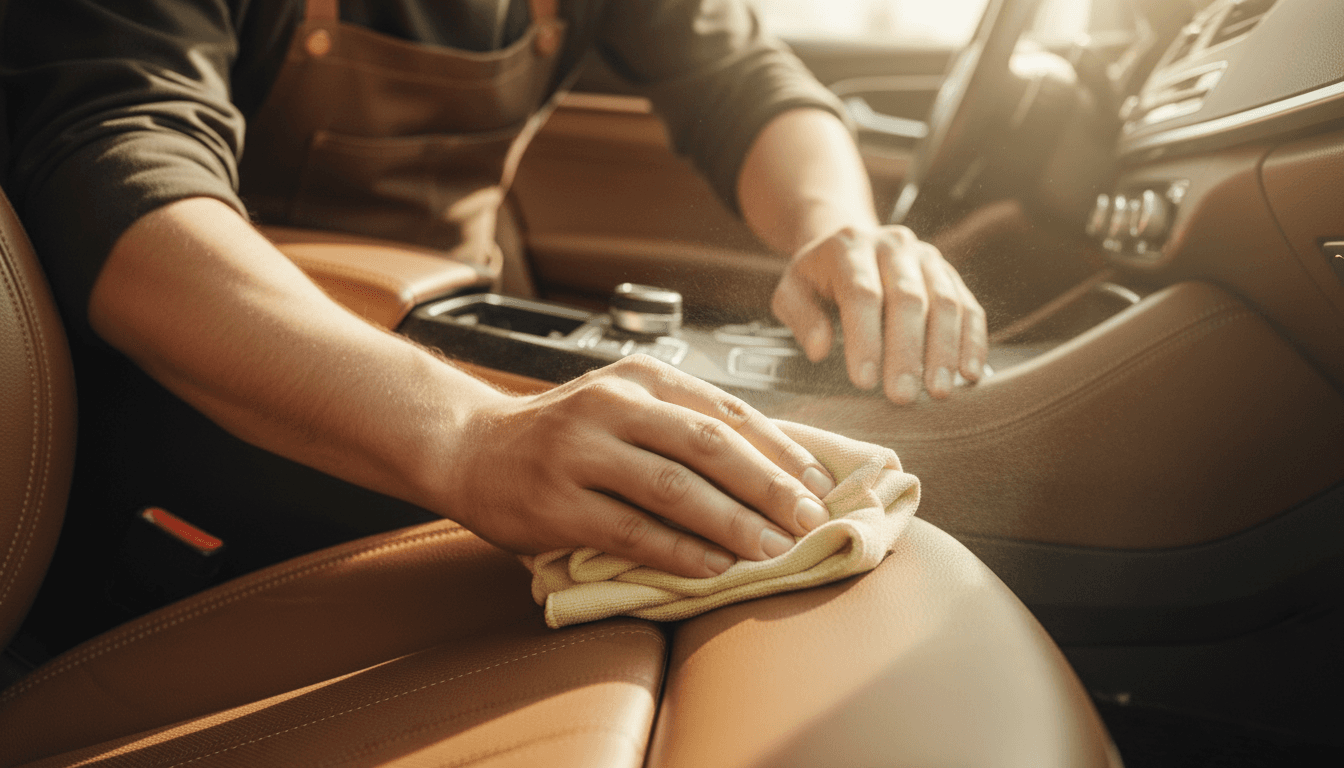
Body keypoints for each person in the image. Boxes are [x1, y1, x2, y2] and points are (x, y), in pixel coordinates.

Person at [0, 0, 986, 611]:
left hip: (444, 348)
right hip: (209, 401)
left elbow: (746, 80)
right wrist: (470, 442)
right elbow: (118, 179)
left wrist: (836, 228)